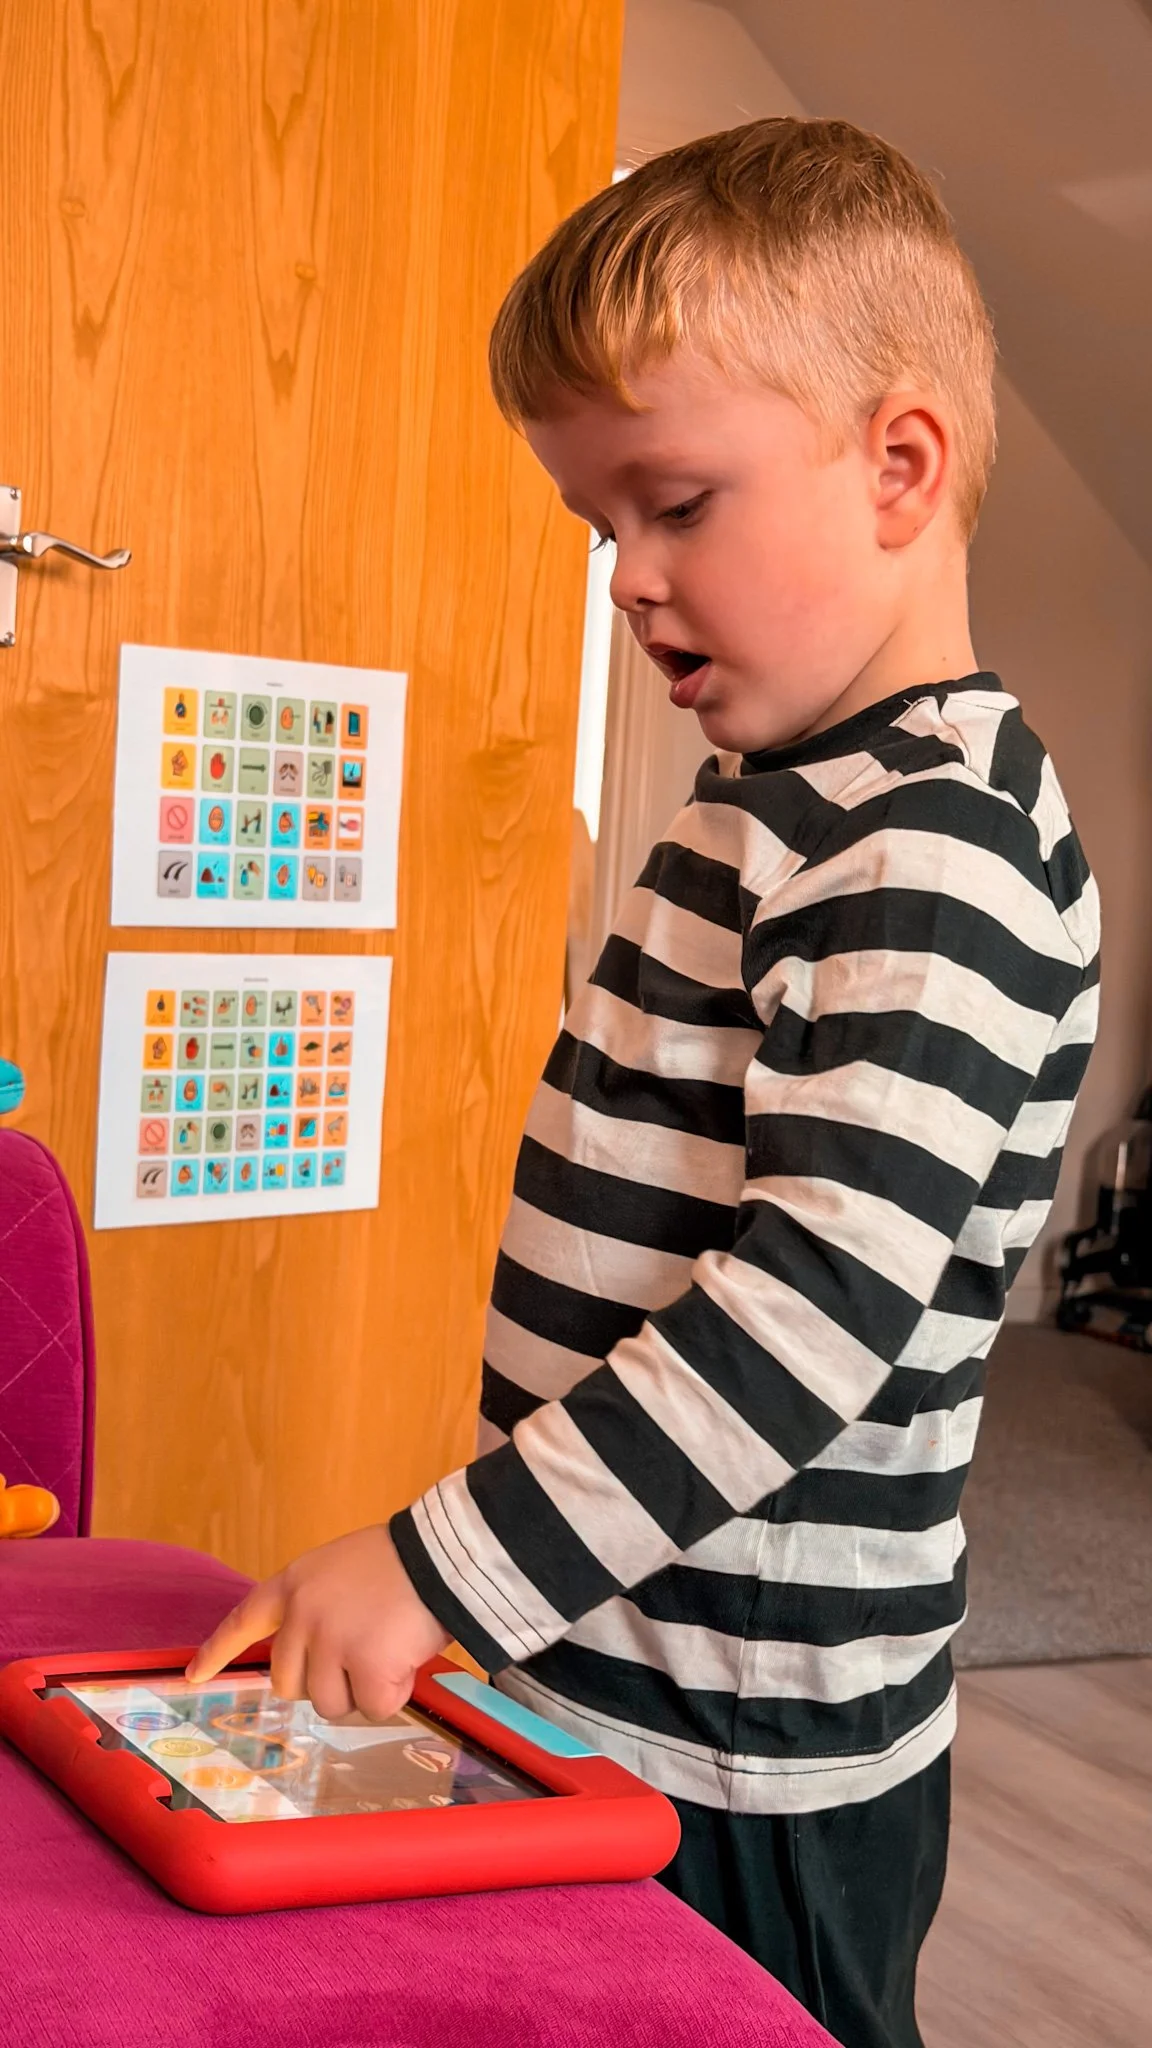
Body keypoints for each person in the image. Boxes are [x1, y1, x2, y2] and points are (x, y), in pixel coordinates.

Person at [191, 119, 1099, 2046]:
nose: (626, 578)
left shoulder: (932, 854)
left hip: (754, 1749)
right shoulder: (777, 801)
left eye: (675, 505)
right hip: (617, 1677)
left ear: (900, 465)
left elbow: (806, 1318)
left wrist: (440, 1564)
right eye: (601, 526)